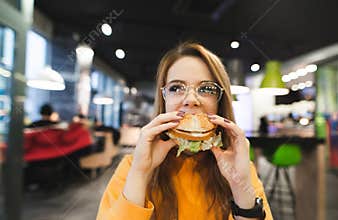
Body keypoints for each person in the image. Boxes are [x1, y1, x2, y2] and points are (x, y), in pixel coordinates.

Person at [97, 42, 273, 220]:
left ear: (220, 104)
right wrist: (141, 174)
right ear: (163, 100)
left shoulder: (239, 166)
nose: (191, 99)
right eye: (176, 88)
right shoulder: (132, 167)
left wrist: (239, 186)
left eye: (206, 89)